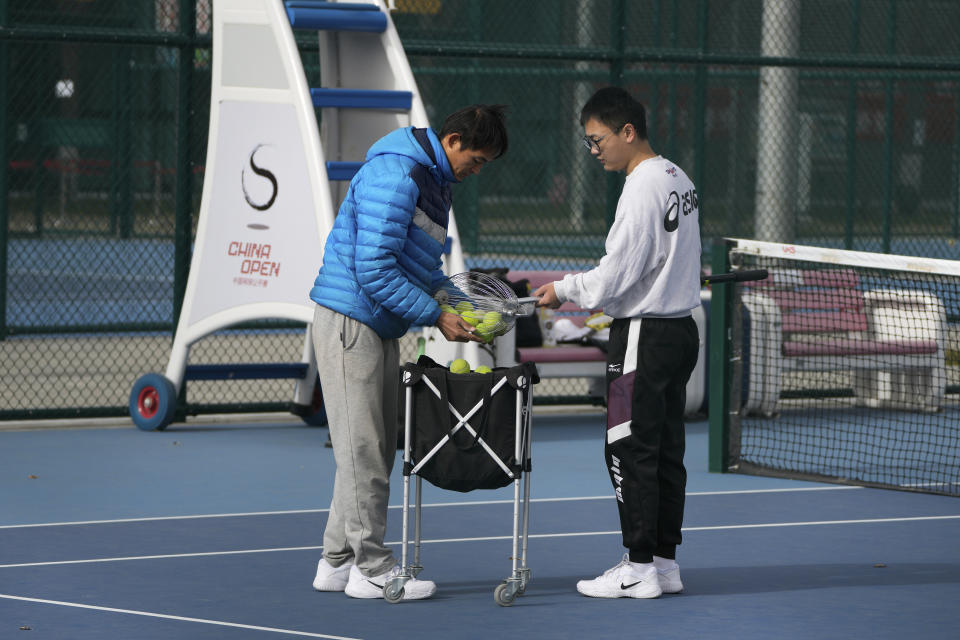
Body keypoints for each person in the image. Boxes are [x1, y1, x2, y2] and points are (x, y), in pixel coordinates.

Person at [307, 105, 508, 601]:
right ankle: (372, 568)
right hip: (350, 322)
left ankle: (335, 563)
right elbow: (373, 268)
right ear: (454, 140)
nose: (477, 171)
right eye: (477, 160)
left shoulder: (432, 180)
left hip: (377, 323)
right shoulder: (397, 177)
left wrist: (462, 304)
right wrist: (437, 315)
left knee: (368, 447)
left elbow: (422, 269)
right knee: (364, 450)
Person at [534, 87, 701, 599]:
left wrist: (562, 290)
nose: (594, 150)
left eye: (598, 139)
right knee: (667, 450)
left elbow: (615, 276)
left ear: (628, 132)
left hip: (645, 335)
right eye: (588, 142)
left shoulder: (640, 188)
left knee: (628, 449)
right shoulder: (678, 176)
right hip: (679, 332)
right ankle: (663, 564)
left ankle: (639, 566)